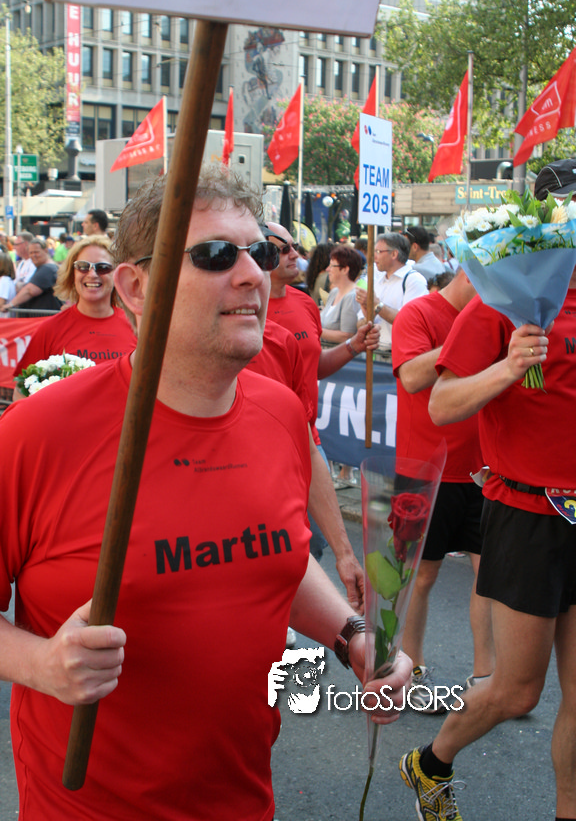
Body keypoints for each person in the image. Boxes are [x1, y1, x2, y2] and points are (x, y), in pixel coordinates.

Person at [0, 164, 411, 821]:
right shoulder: (36, 433)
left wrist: (353, 636)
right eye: (217, 254)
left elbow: (269, 554)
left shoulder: (280, 414)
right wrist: (41, 664)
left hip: (244, 800)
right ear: (136, 286)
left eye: (261, 253)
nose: (253, 275)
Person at [399, 253, 576, 820]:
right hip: (528, 515)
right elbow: (441, 403)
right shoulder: (507, 299)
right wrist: (508, 367)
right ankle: (431, 763)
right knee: (517, 691)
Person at [392, 268, 494, 713]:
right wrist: (466, 339)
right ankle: (410, 669)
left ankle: (487, 677)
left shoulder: (496, 315)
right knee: (419, 577)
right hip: (425, 471)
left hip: (485, 471)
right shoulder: (418, 313)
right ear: (471, 274)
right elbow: (412, 377)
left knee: (489, 578)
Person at [265, 221, 378, 574]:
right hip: (262, 443)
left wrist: (353, 346)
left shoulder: (304, 302)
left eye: (294, 246)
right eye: (283, 248)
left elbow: (312, 369)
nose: (295, 254)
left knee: (313, 543)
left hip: (308, 439)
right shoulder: (241, 306)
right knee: (272, 545)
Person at [12, 235, 136, 396]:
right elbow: (21, 390)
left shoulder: (136, 327)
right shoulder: (50, 329)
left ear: (117, 275)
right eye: (83, 266)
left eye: (103, 267)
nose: (92, 274)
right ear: (72, 274)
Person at [355, 232, 428, 354]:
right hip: (376, 353)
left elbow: (409, 322)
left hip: (400, 354)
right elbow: (360, 324)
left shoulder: (413, 280)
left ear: (394, 254)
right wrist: (368, 313)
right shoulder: (377, 281)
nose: (374, 256)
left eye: (378, 252)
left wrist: (377, 305)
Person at [1, 239, 62, 314]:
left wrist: (10, 304)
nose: (33, 255)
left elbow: (30, 290)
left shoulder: (48, 268)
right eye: (31, 253)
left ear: (45, 251)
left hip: (44, 317)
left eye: (36, 252)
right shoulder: (44, 267)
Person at [320, 245, 363, 345]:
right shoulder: (334, 292)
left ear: (345, 270)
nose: (327, 269)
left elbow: (347, 335)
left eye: (332, 266)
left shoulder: (352, 297)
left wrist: (314, 330)